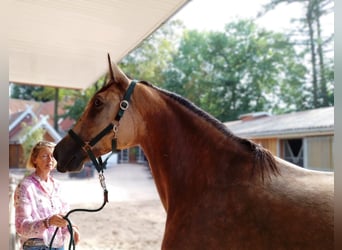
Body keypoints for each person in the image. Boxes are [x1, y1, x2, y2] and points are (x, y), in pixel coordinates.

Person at [14, 140, 80, 250]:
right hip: (35, 246)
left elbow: (64, 216)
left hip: (59, 245)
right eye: (44, 156)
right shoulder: (25, 187)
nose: (50, 160)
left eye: (53, 156)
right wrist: (47, 222)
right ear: (34, 159)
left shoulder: (59, 187)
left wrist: (70, 227)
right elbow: (21, 227)